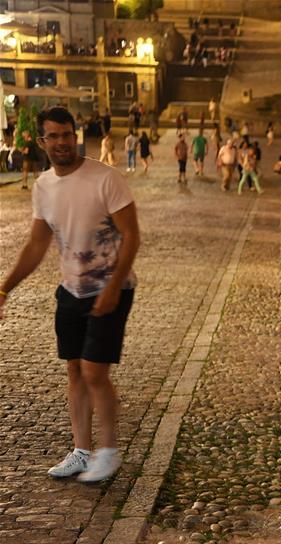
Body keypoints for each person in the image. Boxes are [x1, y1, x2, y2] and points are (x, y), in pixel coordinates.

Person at [0, 106, 140, 483]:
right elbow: (36, 243)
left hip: (112, 288)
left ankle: (108, 451)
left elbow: (131, 236)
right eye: (54, 136)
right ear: (42, 141)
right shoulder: (44, 186)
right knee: (75, 370)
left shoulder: (105, 179)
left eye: (68, 134)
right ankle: (81, 451)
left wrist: (113, 288)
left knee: (95, 371)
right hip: (71, 291)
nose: (62, 142)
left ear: (76, 135)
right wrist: (4, 288)